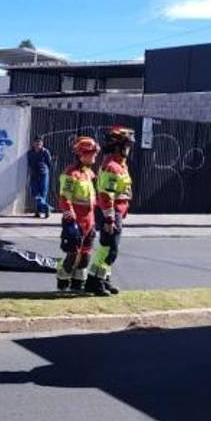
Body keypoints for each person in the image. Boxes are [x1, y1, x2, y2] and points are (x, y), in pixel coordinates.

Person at [87, 127, 135, 296]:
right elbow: (106, 195)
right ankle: (95, 281)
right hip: (111, 212)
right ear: (118, 146)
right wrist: (109, 219)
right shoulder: (112, 167)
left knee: (108, 249)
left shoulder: (121, 165)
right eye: (126, 145)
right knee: (108, 249)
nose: (128, 149)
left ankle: (103, 279)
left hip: (117, 212)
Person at [56, 135, 99, 293]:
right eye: (92, 153)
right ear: (82, 155)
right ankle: (62, 280)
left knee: (86, 255)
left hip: (90, 221)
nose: (95, 156)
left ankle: (78, 282)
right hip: (75, 221)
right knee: (72, 255)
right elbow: (64, 198)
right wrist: (70, 221)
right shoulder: (70, 174)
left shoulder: (89, 174)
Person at [26, 137, 54, 218]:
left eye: (40, 143)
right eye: (37, 143)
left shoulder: (45, 152)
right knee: (35, 192)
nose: (38, 145)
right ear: (33, 144)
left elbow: (49, 163)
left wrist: (45, 170)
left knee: (43, 193)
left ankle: (39, 212)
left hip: (43, 174)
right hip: (34, 174)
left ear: (42, 144)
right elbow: (29, 162)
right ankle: (46, 207)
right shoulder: (30, 153)